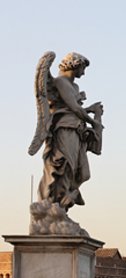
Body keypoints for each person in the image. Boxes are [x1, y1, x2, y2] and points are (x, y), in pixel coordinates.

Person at [30, 52, 103, 213]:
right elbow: (74, 108)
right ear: (74, 65)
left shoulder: (74, 86)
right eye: (82, 69)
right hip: (64, 130)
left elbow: (74, 108)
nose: (83, 73)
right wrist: (93, 122)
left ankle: (65, 201)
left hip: (77, 131)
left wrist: (91, 111)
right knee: (63, 166)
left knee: (82, 172)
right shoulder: (60, 82)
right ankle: (54, 205)